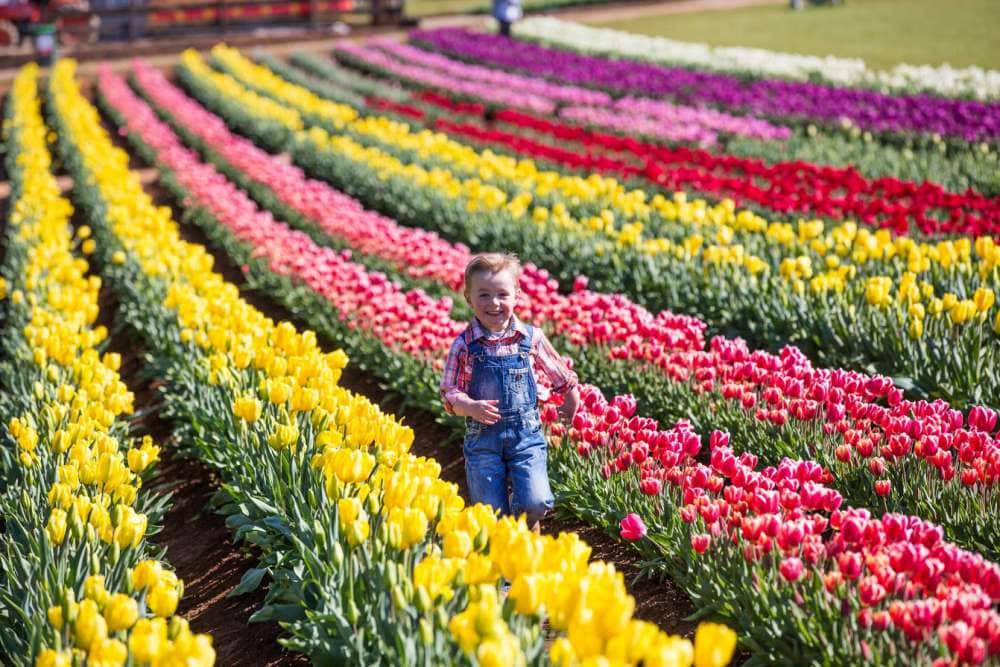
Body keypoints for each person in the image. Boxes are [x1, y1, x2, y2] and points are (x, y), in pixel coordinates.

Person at [441, 252, 579, 531]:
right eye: (483, 295)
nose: (494, 303)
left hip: (525, 436)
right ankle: (506, 564)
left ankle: (523, 523)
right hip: (483, 441)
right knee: (491, 516)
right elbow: (448, 392)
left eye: (502, 294)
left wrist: (571, 400)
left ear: (517, 295)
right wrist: (469, 406)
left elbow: (561, 376)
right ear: (468, 298)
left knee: (537, 502)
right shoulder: (464, 345)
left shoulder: (531, 338)